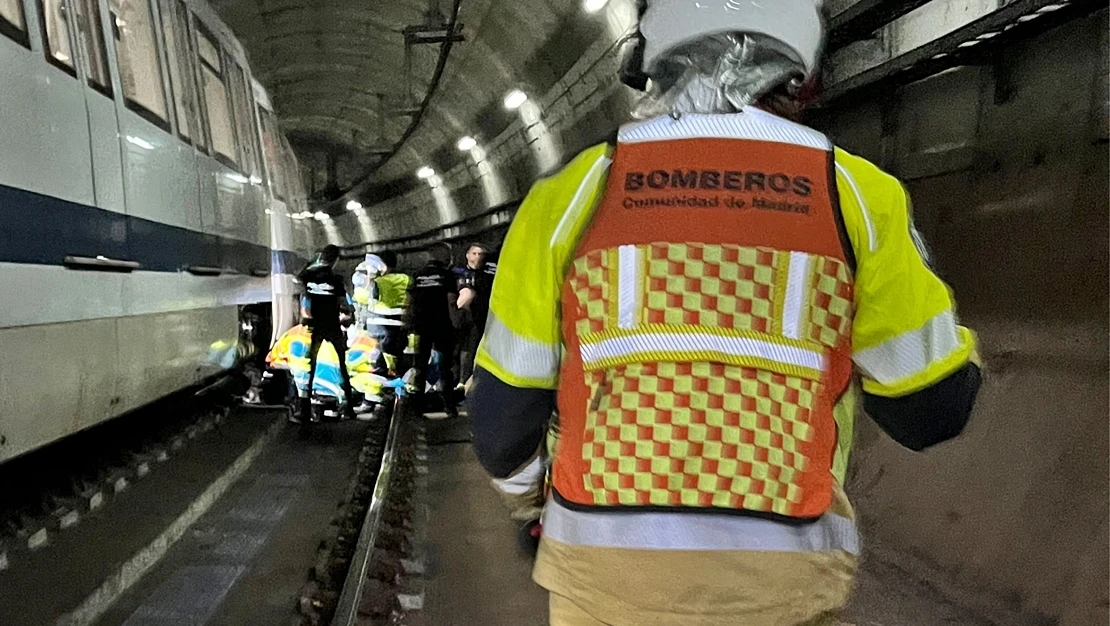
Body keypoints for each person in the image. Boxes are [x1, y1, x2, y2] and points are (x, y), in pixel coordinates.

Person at [467, 1, 982, 624]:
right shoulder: (855, 196)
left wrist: (532, 508)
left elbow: (502, 417)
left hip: (604, 576)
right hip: (782, 582)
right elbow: (931, 410)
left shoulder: (573, 194)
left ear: (649, 63)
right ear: (801, 77)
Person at [297, 245, 357, 421]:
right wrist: (348, 314)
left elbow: (299, 286)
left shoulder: (308, 276)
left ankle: (304, 409)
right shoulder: (335, 279)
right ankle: (349, 408)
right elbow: (343, 304)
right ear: (335, 260)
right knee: (342, 366)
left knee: (310, 367)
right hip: (332, 326)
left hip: (315, 326)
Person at [407, 243, 460, 419]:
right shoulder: (447, 275)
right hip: (443, 325)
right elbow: (451, 301)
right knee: (445, 367)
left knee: (420, 367)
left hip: (422, 327)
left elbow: (409, 302)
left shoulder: (417, 275)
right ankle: (449, 407)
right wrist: (456, 324)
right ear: (444, 257)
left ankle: (417, 408)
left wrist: (407, 324)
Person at [453, 243, 496, 388]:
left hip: (482, 317)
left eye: (481, 254)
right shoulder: (457, 272)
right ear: (467, 255)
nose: (478, 257)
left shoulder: (488, 274)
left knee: (472, 349)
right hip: (460, 317)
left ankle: (465, 381)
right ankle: (459, 380)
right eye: (474, 254)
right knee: (458, 350)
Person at [371, 251, 411, 375]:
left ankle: (386, 380)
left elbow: (373, 300)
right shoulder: (406, 279)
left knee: (383, 358)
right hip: (402, 323)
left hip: (382, 324)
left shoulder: (378, 282)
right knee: (399, 353)